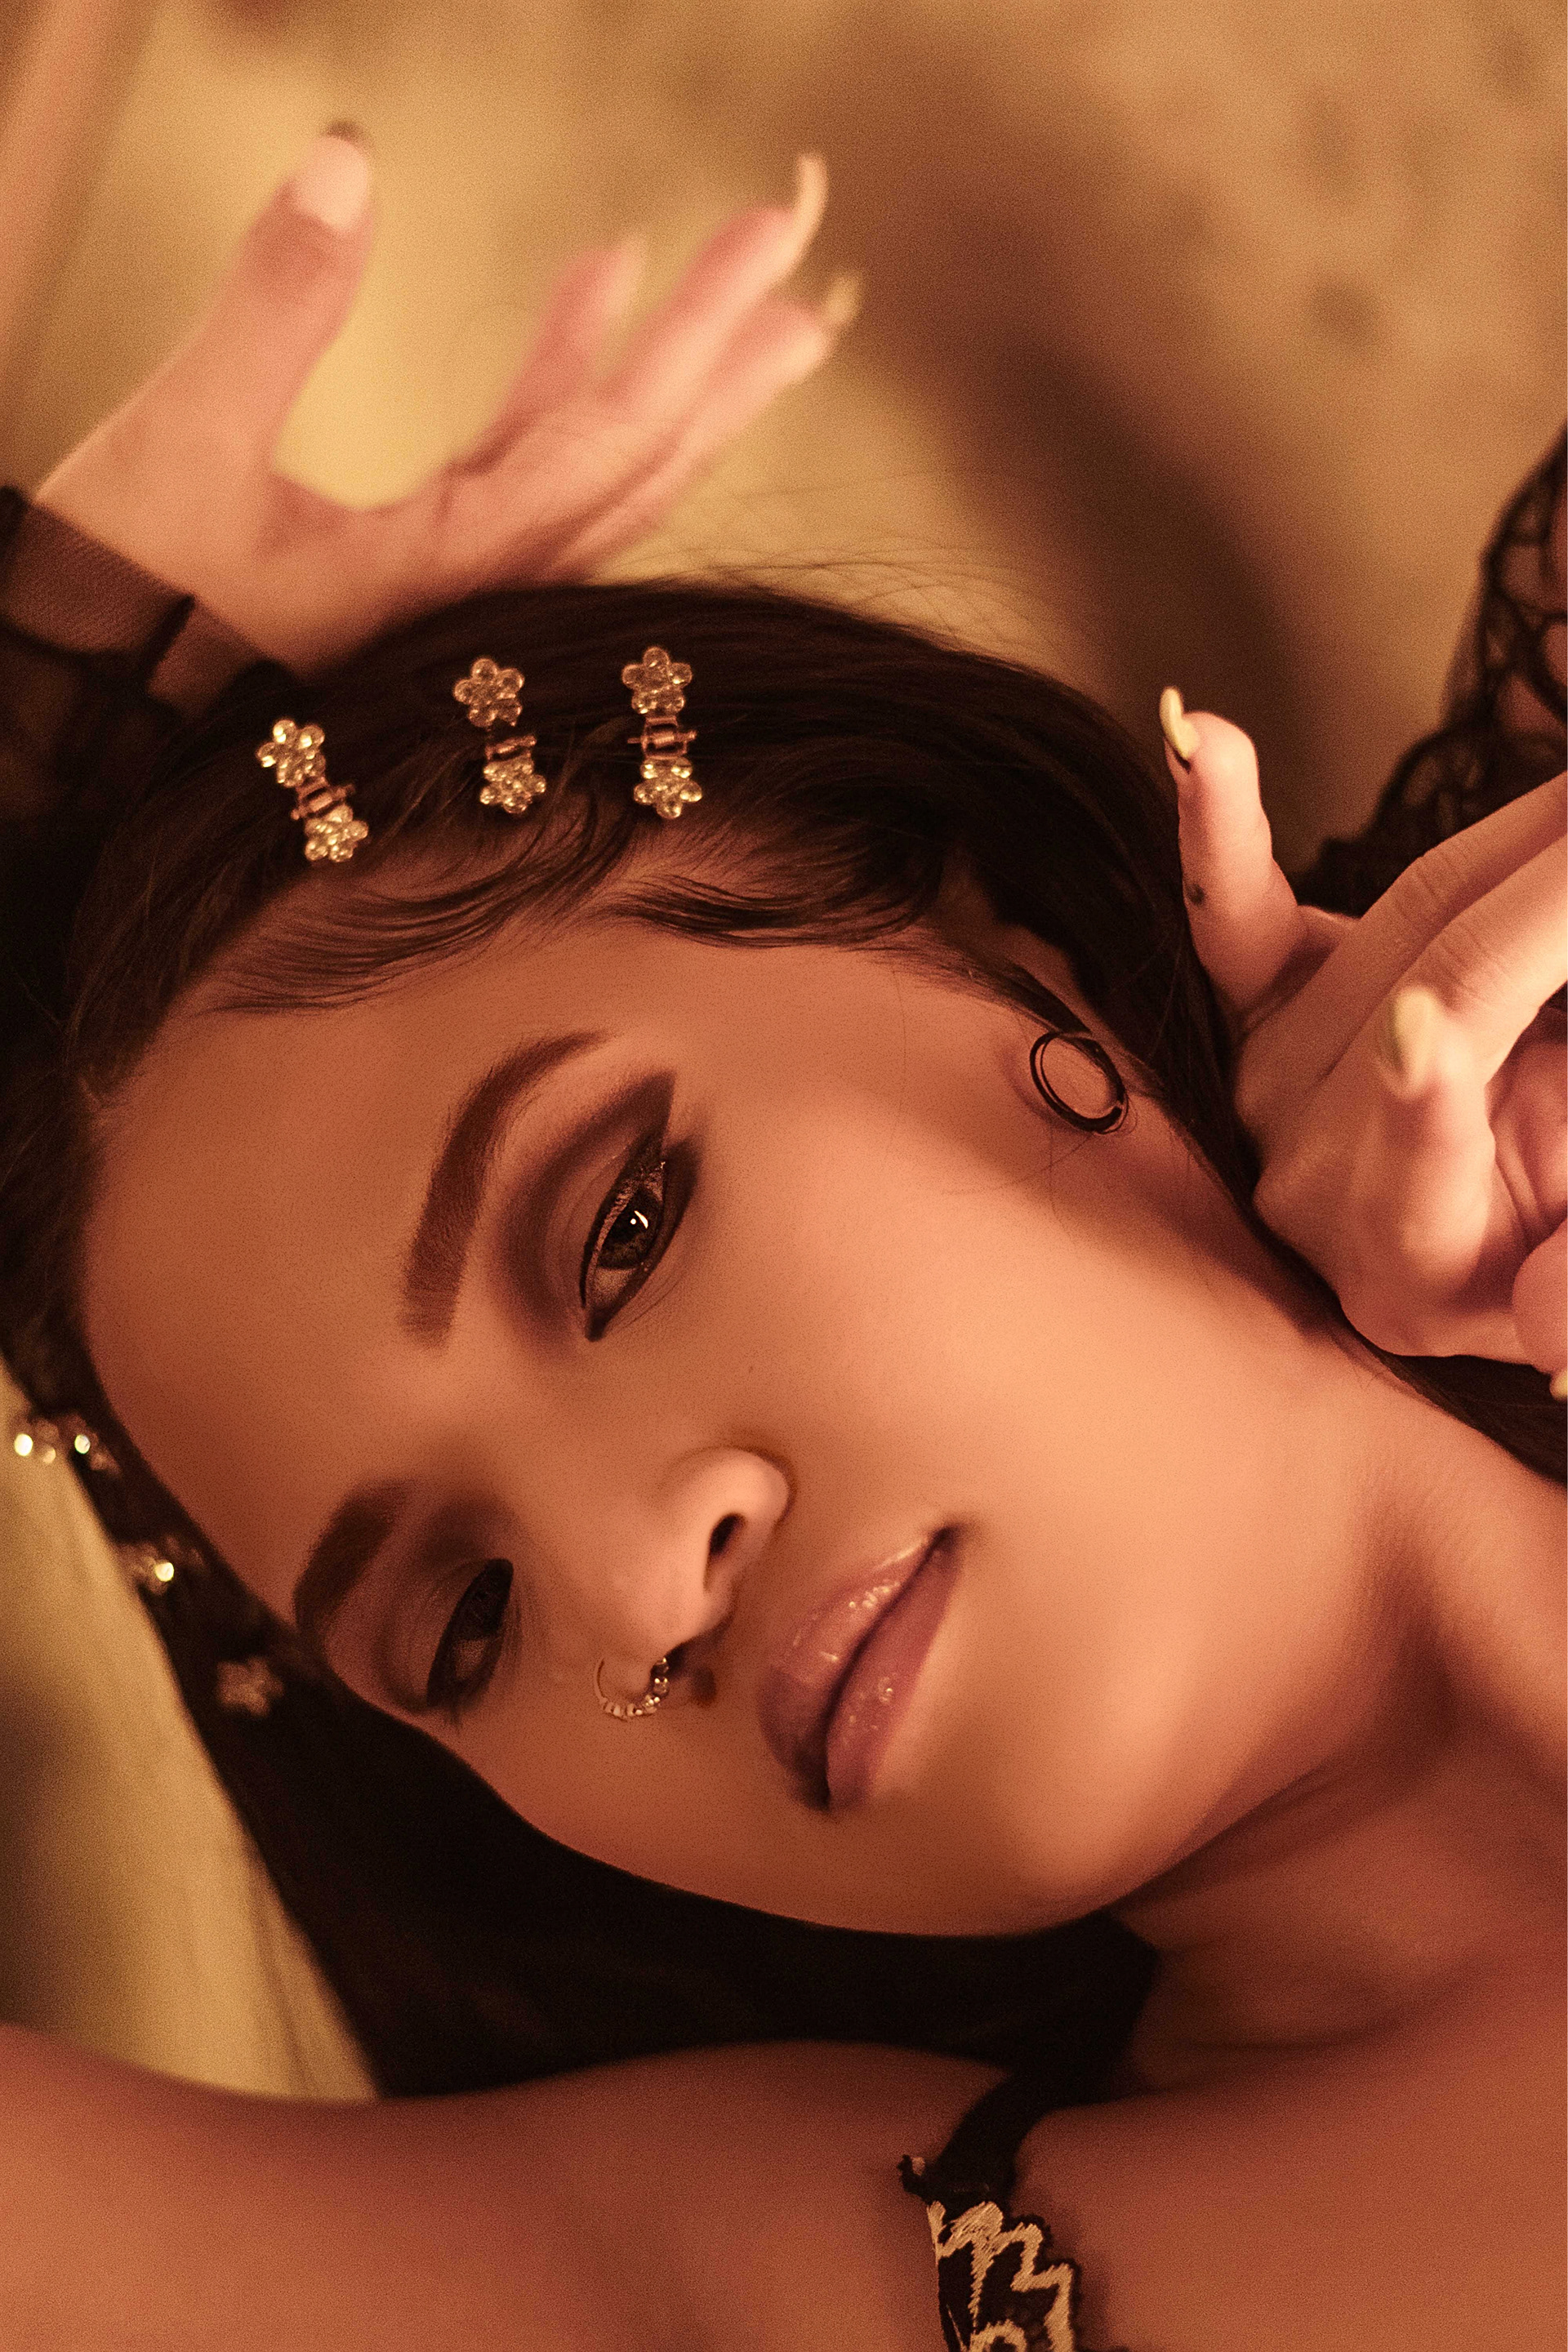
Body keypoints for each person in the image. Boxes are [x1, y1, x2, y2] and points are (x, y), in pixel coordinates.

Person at [0, 132, 1561, 2350]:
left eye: (618, 1229)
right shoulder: (782, 2287)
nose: (637, 1596)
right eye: (462, 1622)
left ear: (996, 948)